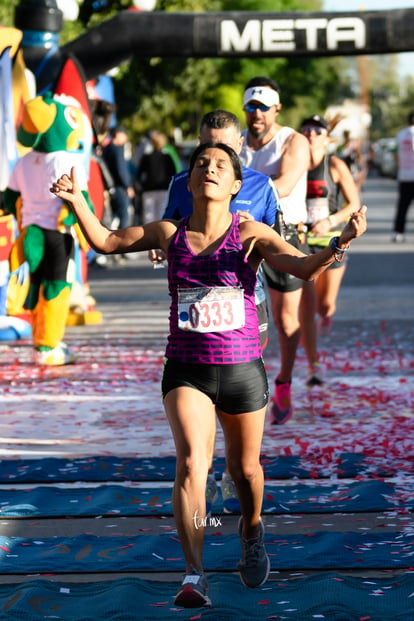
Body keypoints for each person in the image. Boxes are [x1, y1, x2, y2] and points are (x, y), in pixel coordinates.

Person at [51, 143, 367, 609]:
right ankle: (194, 573)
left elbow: (300, 268)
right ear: (191, 182)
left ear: (236, 186)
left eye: (221, 165)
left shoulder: (251, 234)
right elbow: (108, 241)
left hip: (242, 372)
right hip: (186, 371)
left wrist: (340, 244)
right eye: (201, 165)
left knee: (245, 472)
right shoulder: (168, 232)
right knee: (191, 465)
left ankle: (251, 528)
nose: (210, 170)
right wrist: (78, 201)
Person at [153, 109, 281, 515]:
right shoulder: (182, 182)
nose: (213, 156)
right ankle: (202, 475)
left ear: (239, 146)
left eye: (224, 147)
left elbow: (280, 242)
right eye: (206, 145)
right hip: (193, 307)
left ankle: (236, 475)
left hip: (246, 303)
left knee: (235, 400)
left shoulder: (261, 186)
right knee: (197, 425)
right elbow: (170, 230)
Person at [239, 76, 318, 424]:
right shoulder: (236, 143)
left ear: (277, 109)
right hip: (243, 239)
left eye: (263, 108)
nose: (256, 114)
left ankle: (284, 380)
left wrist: (239, 197)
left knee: (287, 321)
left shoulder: (294, 141)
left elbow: (284, 185)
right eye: (250, 107)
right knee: (245, 320)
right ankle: (248, 384)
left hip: (284, 235)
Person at [300, 115, 361, 336]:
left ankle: (325, 318)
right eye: (306, 130)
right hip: (302, 242)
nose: (311, 135)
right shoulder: (293, 164)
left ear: (327, 140)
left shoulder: (334, 164)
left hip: (332, 241)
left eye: (318, 132)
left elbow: (353, 203)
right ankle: (311, 345)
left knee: (325, 304)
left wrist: (329, 221)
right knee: (308, 302)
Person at [136, 130, 178, 223]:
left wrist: (141, 185)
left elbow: (139, 174)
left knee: (148, 217)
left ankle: (149, 237)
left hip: (148, 189)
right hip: (163, 189)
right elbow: (173, 173)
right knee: (161, 216)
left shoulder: (146, 157)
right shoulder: (167, 157)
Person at [102, 124, 135, 230]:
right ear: (118, 134)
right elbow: (121, 169)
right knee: (124, 215)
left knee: (114, 214)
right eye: (124, 134)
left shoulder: (106, 149)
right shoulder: (117, 149)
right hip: (119, 187)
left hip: (109, 186)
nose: (126, 137)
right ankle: (121, 242)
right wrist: (127, 186)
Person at [392, 111, 414, 243]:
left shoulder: (400, 134)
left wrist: (400, 168)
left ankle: (397, 232)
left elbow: (395, 153)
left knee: (402, 206)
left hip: (404, 176)